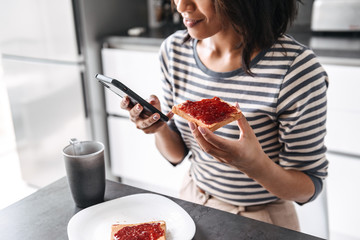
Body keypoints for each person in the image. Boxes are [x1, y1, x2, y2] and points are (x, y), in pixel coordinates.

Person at [121, 0, 328, 231]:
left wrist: (254, 165)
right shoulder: (174, 50)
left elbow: (309, 186)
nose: (180, 6)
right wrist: (158, 128)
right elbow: (178, 153)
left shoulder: (296, 69)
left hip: (260, 219)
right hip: (193, 201)